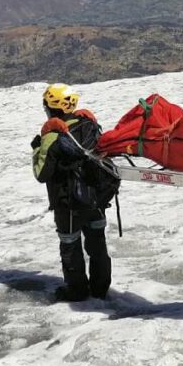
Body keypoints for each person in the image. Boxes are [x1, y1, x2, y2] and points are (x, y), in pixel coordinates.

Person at [31, 83, 113, 301]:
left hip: (68, 203)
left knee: (70, 245)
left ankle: (76, 291)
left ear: (51, 106)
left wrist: (37, 148)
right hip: (96, 199)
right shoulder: (90, 125)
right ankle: (100, 289)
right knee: (97, 243)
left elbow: (42, 174)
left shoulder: (52, 135)